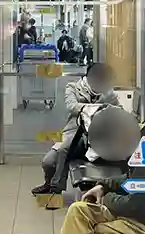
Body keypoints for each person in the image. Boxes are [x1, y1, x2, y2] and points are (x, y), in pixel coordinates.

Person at [34, 62, 117, 196]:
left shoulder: (109, 93)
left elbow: (118, 110)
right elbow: (72, 106)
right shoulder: (73, 87)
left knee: (66, 151)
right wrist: (92, 108)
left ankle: (57, 189)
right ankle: (49, 183)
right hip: (75, 133)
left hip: (98, 137)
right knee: (48, 162)